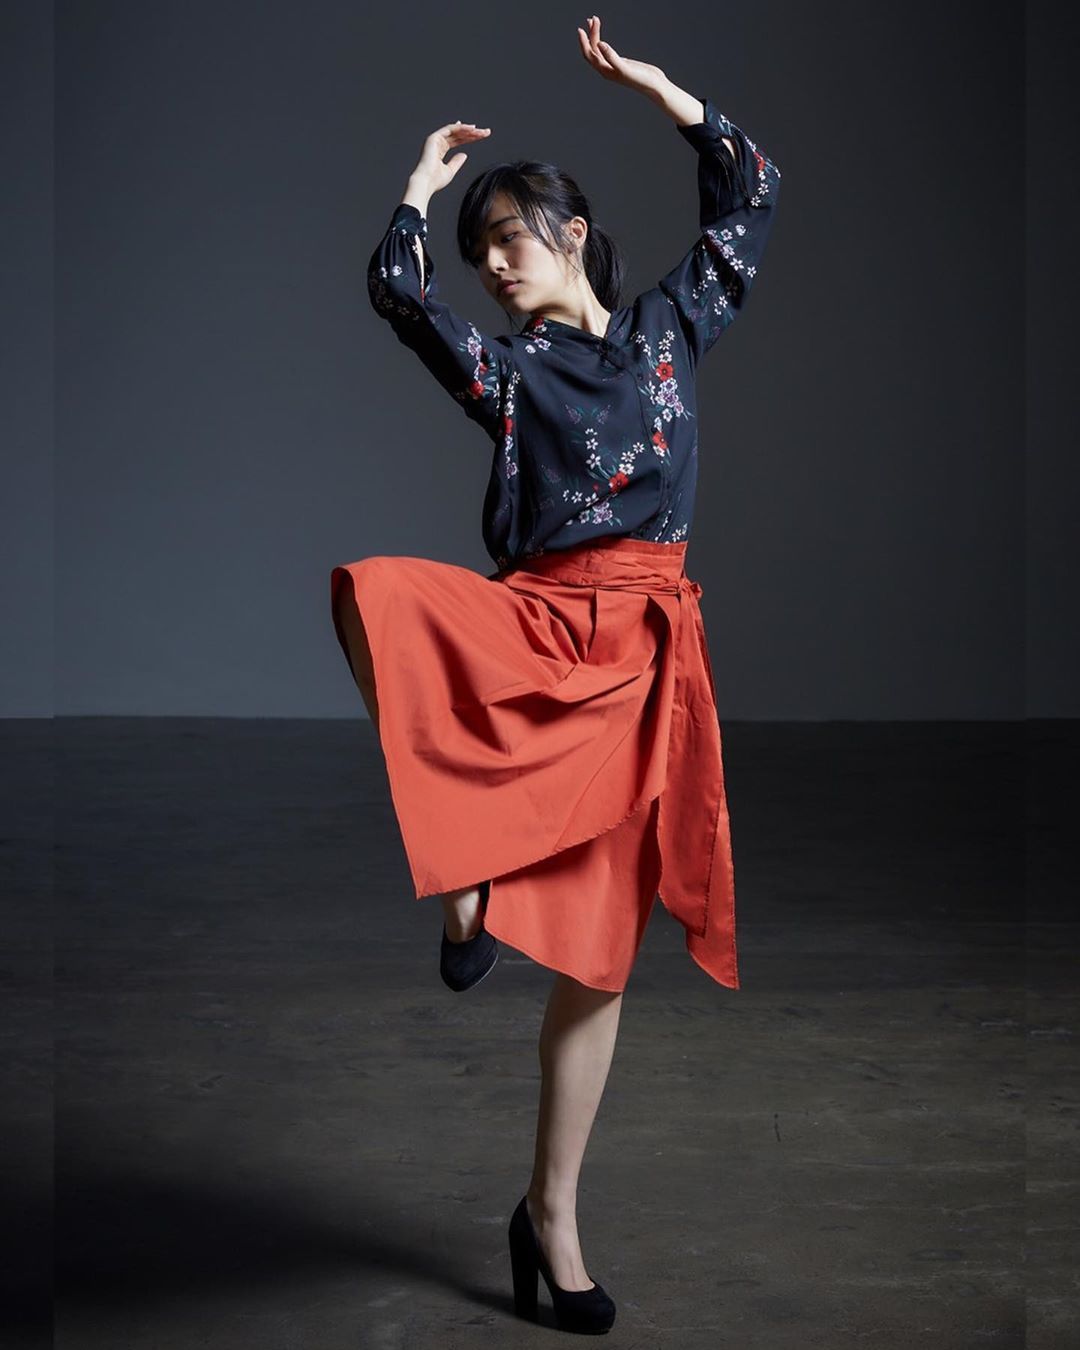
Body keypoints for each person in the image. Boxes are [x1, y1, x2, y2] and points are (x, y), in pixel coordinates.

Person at [331, 15, 780, 1334]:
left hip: (643, 664)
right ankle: (466, 878)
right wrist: (419, 187)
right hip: (540, 633)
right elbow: (400, 295)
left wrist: (661, 90)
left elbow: (753, 192)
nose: (490, 265)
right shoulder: (512, 373)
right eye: (479, 249)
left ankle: (549, 1217)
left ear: (571, 234)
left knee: (598, 959)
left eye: (507, 238)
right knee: (382, 598)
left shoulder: (669, 330)